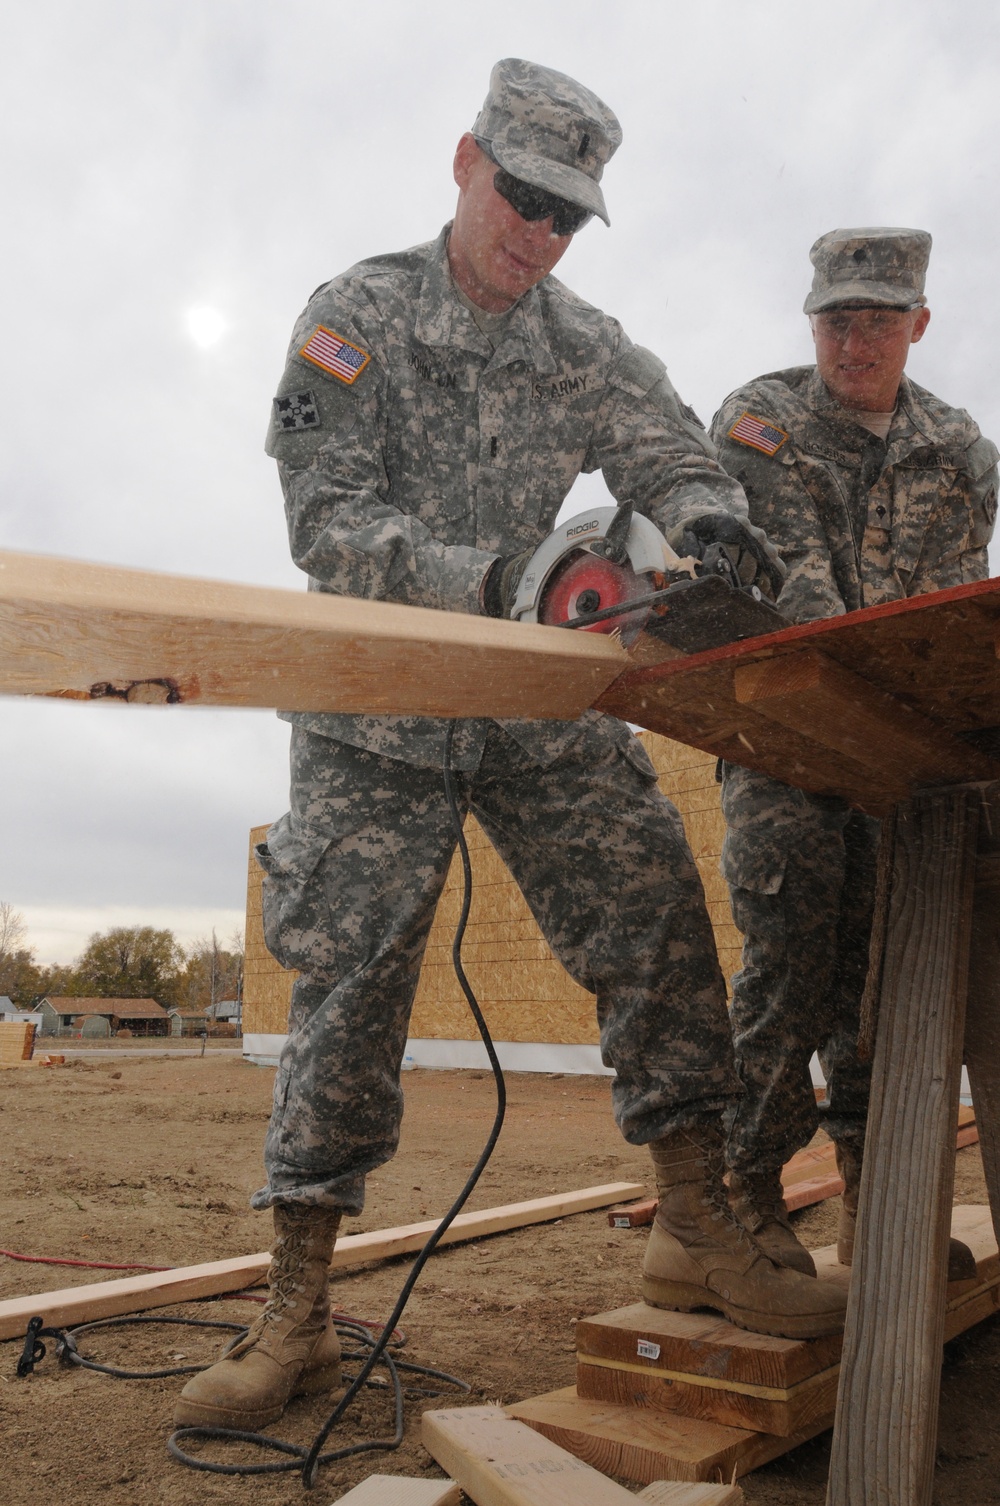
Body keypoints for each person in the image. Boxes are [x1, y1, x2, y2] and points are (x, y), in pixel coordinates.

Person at [175, 59, 847, 1434]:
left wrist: (706, 514)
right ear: (464, 161)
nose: (535, 233)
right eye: (522, 197)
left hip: (540, 714)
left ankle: (700, 1225)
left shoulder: (583, 342)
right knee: (346, 999)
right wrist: (500, 573)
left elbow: (669, 447)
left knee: (657, 927)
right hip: (377, 715)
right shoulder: (354, 317)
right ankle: (296, 1308)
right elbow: (331, 530)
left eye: (566, 215)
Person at [710, 227, 998, 1277]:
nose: (855, 341)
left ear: (918, 325)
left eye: (878, 320)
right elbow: (790, 587)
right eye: (837, 319)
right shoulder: (761, 424)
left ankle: (881, 1209)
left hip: (902, 767)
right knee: (790, 966)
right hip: (788, 743)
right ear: (812, 321)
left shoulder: (961, 453)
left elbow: (949, 616)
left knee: (887, 986)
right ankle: (739, 1204)